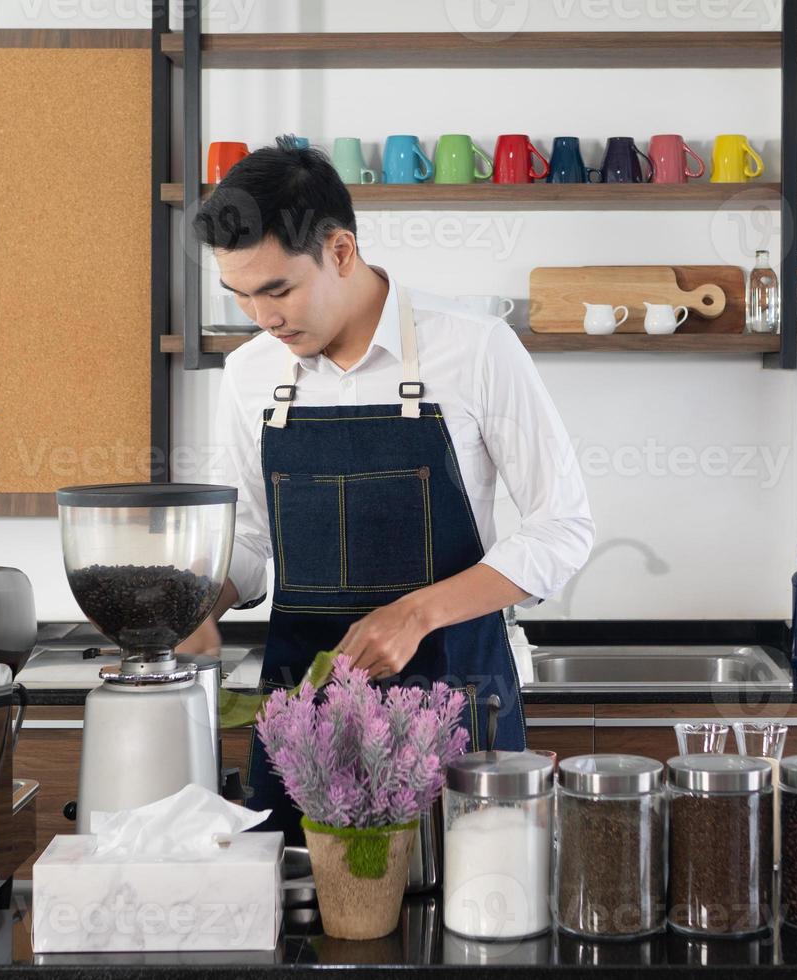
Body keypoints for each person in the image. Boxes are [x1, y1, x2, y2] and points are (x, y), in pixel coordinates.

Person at [179, 147, 592, 841]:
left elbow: (562, 528)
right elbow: (249, 539)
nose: (261, 317)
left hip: (453, 703)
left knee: (469, 914)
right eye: (240, 296)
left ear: (340, 250)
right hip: (302, 716)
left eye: (277, 290)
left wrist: (415, 614)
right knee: (300, 923)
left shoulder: (474, 349)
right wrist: (193, 609)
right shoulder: (250, 374)